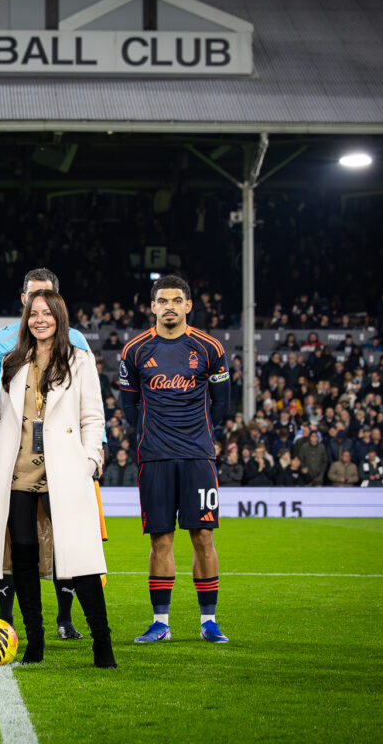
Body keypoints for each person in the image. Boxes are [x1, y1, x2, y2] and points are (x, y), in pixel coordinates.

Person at [0, 290, 116, 668]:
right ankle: (35, 642)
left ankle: (103, 642)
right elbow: (1, 417)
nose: (40, 320)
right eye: (34, 314)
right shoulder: (13, 362)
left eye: (47, 313)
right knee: (24, 560)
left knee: (79, 559)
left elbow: (92, 418)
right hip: (16, 472)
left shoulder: (79, 360)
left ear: (59, 317)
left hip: (64, 471)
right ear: (26, 318)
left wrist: (89, 459)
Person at [0, 267, 92, 640]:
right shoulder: (4, 346)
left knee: (71, 547)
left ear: (58, 303)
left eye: (47, 301)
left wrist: (92, 457)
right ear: (23, 299)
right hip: (17, 463)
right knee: (16, 546)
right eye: (33, 300)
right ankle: (17, 623)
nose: (39, 310)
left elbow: (89, 409)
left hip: (63, 464)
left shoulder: (78, 347)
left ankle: (68, 620)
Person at [120, 275, 231, 645]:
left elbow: (224, 405)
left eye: (176, 300)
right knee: (160, 541)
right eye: (162, 300)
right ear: (152, 306)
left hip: (198, 456)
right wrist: (157, 435)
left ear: (188, 306)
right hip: (155, 458)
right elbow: (129, 405)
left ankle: (209, 621)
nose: (169, 306)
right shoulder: (134, 350)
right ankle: (161, 623)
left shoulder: (210, 348)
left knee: (203, 537)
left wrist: (194, 435)